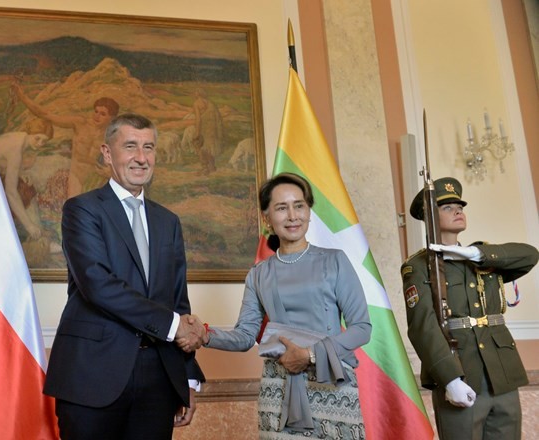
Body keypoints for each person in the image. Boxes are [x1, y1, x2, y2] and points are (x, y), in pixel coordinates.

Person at [44, 113, 206, 440]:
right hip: (92, 376)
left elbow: (178, 300)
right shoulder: (82, 210)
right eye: (130, 146)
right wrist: (176, 327)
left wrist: (186, 376)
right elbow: (97, 284)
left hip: (158, 381)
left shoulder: (168, 221)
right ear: (107, 153)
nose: (141, 158)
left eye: (149, 147)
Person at [184, 172, 371, 438]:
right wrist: (205, 334)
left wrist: (309, 355)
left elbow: (362, 327)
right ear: (267, 219)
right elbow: (246, 336)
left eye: (299, 205)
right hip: (278, 386)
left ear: (308, 211)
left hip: (331, 381)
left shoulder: (335, 261)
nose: (293, 216)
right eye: (282, 208)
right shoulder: (259, 274)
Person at [401, 177, 539, 440]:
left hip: (502, 375)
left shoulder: (484, 257)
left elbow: (530, 255)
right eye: (446, 207)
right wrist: (450, 379)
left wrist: (475, 254)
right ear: (429, 216)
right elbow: (423, 327)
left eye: (459, 205)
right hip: (461, 374)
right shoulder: (418, 266)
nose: (458, 210)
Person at [13, 83, 119, 198]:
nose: (97, 116)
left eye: (103, 114)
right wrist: (22, 96)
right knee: (74, 208)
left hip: (96, 178)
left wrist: (110, 173)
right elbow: (45, 114)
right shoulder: (80, 124)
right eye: (96, 111)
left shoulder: (113, 136)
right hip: (77, 175)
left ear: (112, 118)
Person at [0, 118, 53, 242]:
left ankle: (36, 234)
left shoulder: (18, 137)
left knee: (25, 187)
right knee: (23, 192)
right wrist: (29, 226)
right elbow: (11, 192)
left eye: (44, 141)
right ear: (30, 133)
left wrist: (20, 173)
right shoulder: (16, 149)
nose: (40, 143)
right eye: (37, 138)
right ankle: (35, 233)